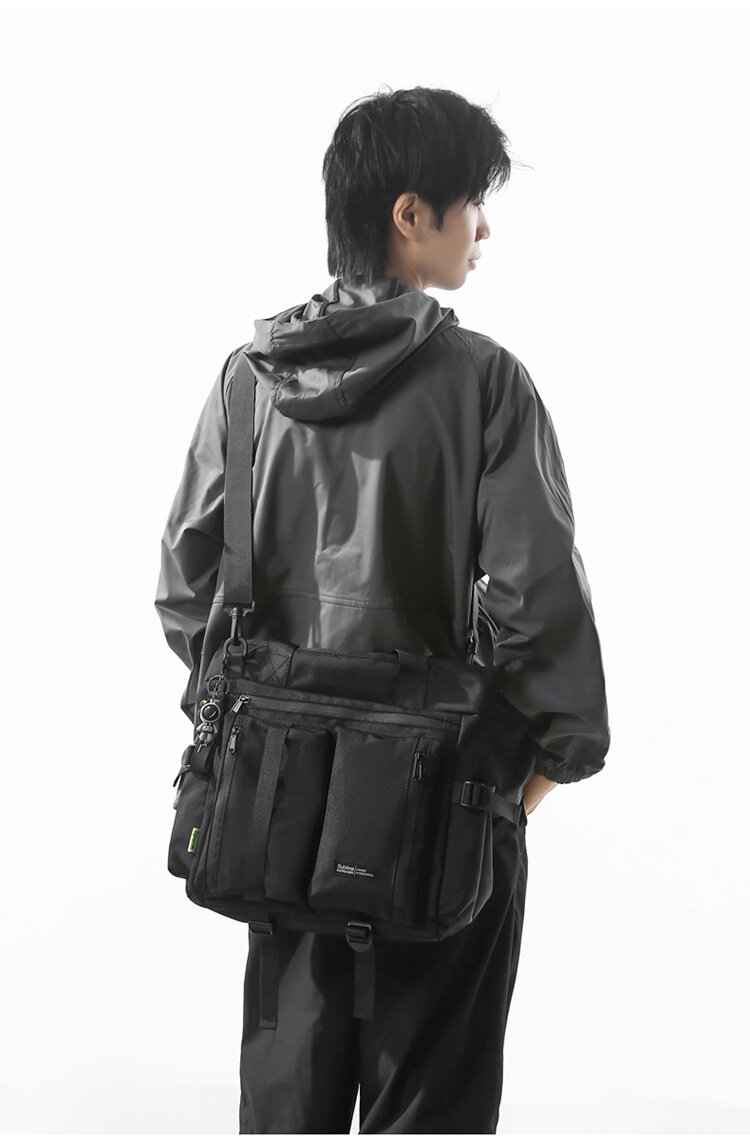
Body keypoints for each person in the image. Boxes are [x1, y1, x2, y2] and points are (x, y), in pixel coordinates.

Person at [154, 85, 610, 1134]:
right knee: (432, 1113)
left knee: (288, 1110)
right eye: (472, 203)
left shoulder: (246, 386)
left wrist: (273, 736)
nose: (482, 230)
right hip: (446, 813)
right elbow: (540, 606)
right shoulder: (486, 384)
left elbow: (187, 588)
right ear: (411, 215)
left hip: (276, 821)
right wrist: (533, 776)